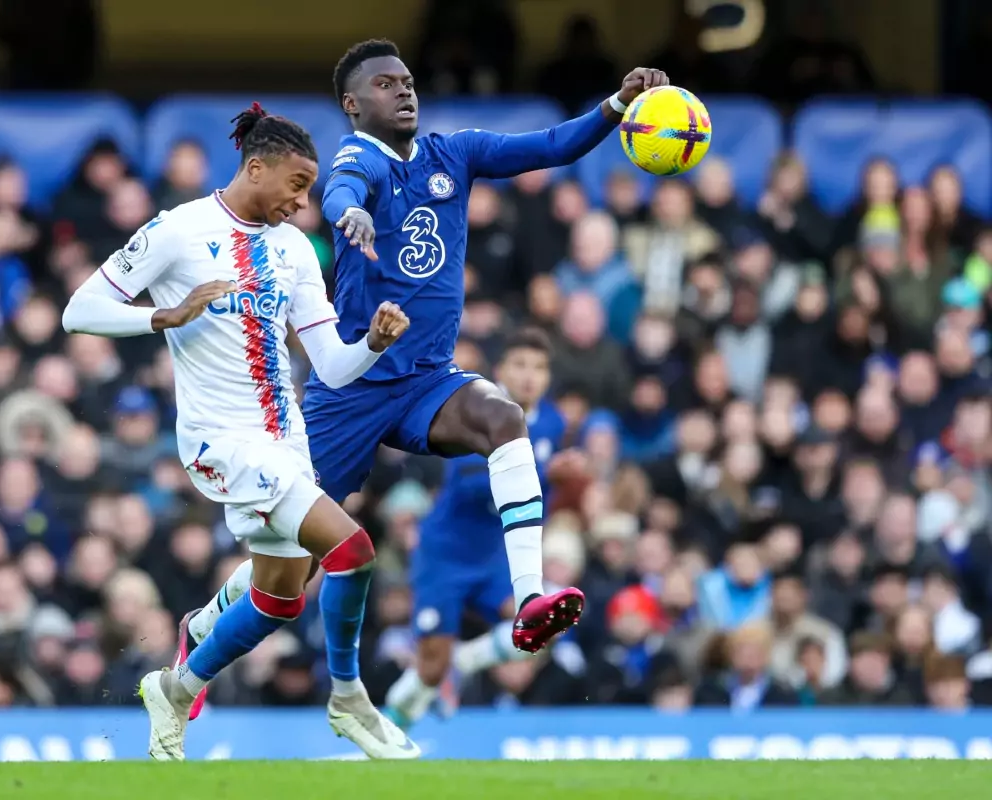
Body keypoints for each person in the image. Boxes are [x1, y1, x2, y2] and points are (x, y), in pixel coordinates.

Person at [178, 43, 666, 668]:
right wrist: (349, 212)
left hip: (427, 380)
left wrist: (618, 104)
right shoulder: (359, 159)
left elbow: (549, 146)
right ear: (353, 104)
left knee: (503, 418)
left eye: (407, 81)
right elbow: (342, 189)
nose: (404, 91)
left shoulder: (453, 153)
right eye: (385, 84)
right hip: (349, 389)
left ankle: (530, 601)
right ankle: (201, 629)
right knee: (287, 575)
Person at [61, 103, 419, 761]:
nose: (303, 201)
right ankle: (349, 697)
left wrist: (371, 342)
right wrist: (164, 316)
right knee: (353, 551)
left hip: (285, 443)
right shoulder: (178, 230)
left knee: (279, 601)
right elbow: (78, 311)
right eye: (296, 184)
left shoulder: (295, 252)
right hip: (219, 440)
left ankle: (175, 686)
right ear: (256, 167)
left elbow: (334, 366)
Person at [384, 328, 566, 729]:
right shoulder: (478, 407)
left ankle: (463, 662)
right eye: (519, 365)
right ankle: (389, 730)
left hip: (493, 557)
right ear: (500, 369)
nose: (529, 376)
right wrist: (541, 471)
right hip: (445, 555)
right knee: (430, 668)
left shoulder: (553, 422)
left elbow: (539, 495)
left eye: (538, 368)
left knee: (546, 623)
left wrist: (555, 483)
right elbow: (467, 483)